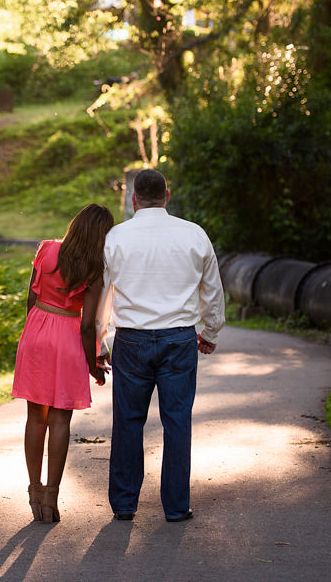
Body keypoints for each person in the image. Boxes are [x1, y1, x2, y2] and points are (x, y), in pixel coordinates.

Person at [98, 168, 225, 523]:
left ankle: (124, 505)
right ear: (167, 196)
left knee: (127, 422)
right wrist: (210, 332)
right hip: (179, 338)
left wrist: (99, 341)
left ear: (134, 198)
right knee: (177, 422)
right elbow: (213, 291)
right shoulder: (194, 235)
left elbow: (102, 295)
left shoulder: (115, 238)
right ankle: (176, 506)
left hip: (131, 341)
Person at [12, 203, 115, 524]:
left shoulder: (46, 249)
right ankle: (51, 500)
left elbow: (30, 298)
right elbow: (88, 325)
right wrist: (94, 363)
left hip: (37, 331)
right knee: (59, 421)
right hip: (68, 338)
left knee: (34, 418)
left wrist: (33, 332)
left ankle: (34, 491)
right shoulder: (94, 267)